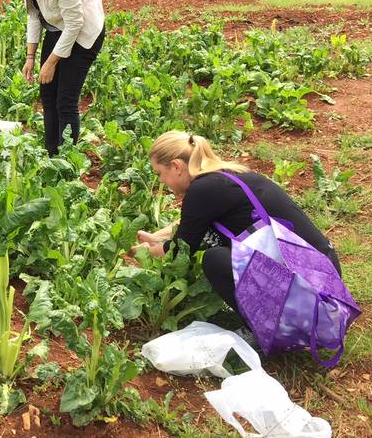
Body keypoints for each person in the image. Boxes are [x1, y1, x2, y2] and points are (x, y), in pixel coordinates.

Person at [136, 130, 342, 319]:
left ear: (176, 166)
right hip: (325, 277)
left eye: (160, 173)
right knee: (221, 251)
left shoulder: (201, 190)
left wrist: (141, 253)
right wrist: (156, 237)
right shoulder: (225, 176)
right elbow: (191, 223)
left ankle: (272, 328)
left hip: (312, 293)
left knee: (215, 260)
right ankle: (285, 318)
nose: (161, 180)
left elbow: (181, 248)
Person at [5, 0, 106, 156]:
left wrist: (50, 63)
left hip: (83, 33)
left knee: (65, 100)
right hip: (57, 27)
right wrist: (31, 57)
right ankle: (52, 154)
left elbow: (74, 24)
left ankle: (67, 160)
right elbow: (33, 14)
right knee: (47, 95)